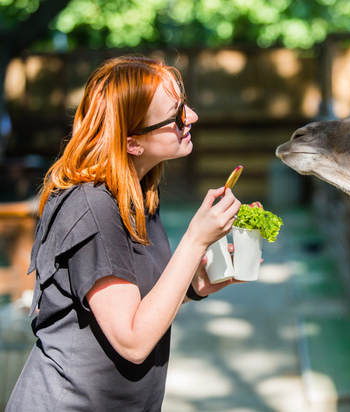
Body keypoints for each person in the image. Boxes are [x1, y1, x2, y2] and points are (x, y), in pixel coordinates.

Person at [6, 55, 242, 411]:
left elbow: (143, 302)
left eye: (185, 106)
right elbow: (133, 340)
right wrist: (195, 239)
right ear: (133, 142)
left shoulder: (141, 191)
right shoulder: (92, 208)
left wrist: (195, 284)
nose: (191, 117)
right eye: (176, 115)